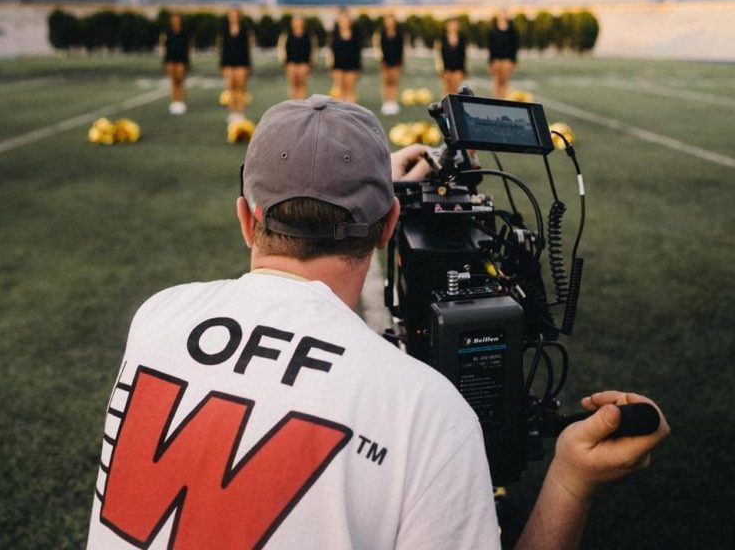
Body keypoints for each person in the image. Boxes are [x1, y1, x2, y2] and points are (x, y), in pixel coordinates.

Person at [88, 97, 669, 550]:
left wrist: (364, 183)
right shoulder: (426, 411)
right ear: (390, 223)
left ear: (246, 218)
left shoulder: (158, 318)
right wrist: (571, 482)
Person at [218, 7, 253, 122]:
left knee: (240, 89)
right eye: (231, 15)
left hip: (241, 63)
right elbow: (222, 48)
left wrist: (248, 65)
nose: (233, 17)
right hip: (228, 62)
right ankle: (232, 112)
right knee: (230, 88)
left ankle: (240, 112)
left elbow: (247, 48)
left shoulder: (244, 29)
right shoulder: (224, 29)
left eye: (235, 15)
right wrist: (222, 65)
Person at [373, 13, 406, 115]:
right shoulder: (380, 34)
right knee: (386, 82)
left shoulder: (399, 34)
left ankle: (393, 101)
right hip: (385, 61)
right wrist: (380, 61)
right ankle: (386, 102)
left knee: (394, 82)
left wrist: (401, 62)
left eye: (391, 21)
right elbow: (377, 48)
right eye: (388, 21)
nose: (390, 23)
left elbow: (402, 49)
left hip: (396, 61)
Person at [327, 8, 363, 102]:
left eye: (346, 19)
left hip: (351, 65)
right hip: (338, 65)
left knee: (350, 90)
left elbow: (358, 51)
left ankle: (350, 114)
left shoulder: (356, 34)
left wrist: (358, 67)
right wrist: (331, 67)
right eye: (341, 19)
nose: (344, 21)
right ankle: (339, 115)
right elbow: (331, 52)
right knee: (339, 91)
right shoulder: (334, 35)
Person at [160, 12, 192, 114]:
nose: (175, 21)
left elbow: (188, 47)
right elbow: (164, 46)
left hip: (181, 59)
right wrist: (165, 61)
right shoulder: (168, 32)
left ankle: (181, 101)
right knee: (173, 81)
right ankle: (174, 102)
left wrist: (187, 60)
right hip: (170, 58)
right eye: (173, 19)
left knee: (180, 81)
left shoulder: (185, 32)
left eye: (177, 19)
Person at [278, 14, 315, 100]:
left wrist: (309, 64)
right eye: (295, 22)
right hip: (291, 64)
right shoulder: (286, 34)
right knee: (293, 86)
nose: (297, 24)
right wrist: (285, 63)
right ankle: (293, 106)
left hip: (304, 64)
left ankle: (302, 105)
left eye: (299, 22)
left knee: (302, 85)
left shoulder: (308, 35)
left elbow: (312, 49)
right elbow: (281, 48)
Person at [488, 9, 520, 100]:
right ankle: (496, 100)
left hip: (507, 60)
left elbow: (514, 47)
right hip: (496, 60)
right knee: (496, 81)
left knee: (505, 82)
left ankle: (504, 100)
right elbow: (491, 47)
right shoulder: (493, 31)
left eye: (504, 14)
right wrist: (491, 61)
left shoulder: (512, 31)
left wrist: (513, 61)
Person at [435, 16, 468, 95]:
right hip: (446, 69)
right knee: (446, 91)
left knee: (456, 91)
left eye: (455, 24)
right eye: (451, 24)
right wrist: (441, 70)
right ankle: (446, 107)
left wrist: (463, 70)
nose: (453, 26)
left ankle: (453, 107)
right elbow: (439, 55)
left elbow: (463, 55)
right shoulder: (442, 38)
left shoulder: (461, 38)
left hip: (457, 70)